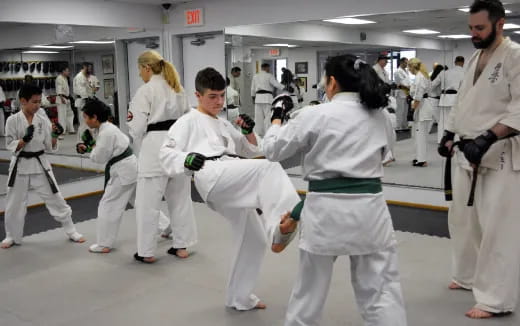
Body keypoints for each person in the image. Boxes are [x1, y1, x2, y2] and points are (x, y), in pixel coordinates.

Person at [263, 54, 407, 326]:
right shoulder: (382, 116)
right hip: (370, 211)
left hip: (325, 211)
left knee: (308, 294)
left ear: (331, 82)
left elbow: (272, 151)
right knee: (381, 291)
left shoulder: (315, 114)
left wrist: (277, 118)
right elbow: (386, 156)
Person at [159, 67, 301, 310]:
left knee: (254, 240)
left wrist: (248, 133)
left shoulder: (223, 124)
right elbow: (165, 153)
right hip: (212, 174)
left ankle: (239, 298)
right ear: (198, 95)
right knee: (269, 168)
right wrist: (185, 160)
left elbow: (252, 150)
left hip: (231, 176)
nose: (219, 101)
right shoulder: (187, 121)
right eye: (212, 96)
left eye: (222, 96)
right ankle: (283, 223)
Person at [438, 0, 520, 319]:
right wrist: (448, 133)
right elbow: (462, 101)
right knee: (462, 219)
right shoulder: (475, 56)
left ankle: (496, 299)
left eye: (480, 28)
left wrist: (488, 137)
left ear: (500, 24)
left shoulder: (514, 56)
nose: (473, 34)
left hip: (499, 154)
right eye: (470, 28)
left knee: (498, 228)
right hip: (466, 151)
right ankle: (467, 274)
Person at [127, 50, 197, 263]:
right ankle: (181, 246)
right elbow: (188, 120)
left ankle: (146, 252)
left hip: (155, 149)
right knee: (181, 199)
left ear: (147, 68)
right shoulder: (178, 89)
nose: (140, 74)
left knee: (147, 204)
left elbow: (136, 127)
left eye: (140, 70)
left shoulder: (145, 91)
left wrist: (137, 139)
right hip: (177, 146)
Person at [1, 84, 85, 249]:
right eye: (34, 102)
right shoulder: (12, 120)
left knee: (56, 198)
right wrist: (23, 140)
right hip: (20, 165)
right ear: (23, 101)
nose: (38, 105)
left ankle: (71, 230)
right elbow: (9, 143)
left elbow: (49, 145)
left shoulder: (42, 119)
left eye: (40, 101)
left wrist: (54, 135)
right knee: (14, 203)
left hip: (40, 163)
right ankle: (11, 235)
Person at [408, 58, 433, 167]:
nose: (408, 69)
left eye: (409, 67)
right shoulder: (423, 76)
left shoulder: (420, 77)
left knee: (421, 136)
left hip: (422, 108)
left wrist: (412, 110)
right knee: (418, 135)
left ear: (412, 66)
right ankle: (419, 157)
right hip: (423, 106)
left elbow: (418, 97)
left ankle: (422, 160)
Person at [250, 63, 284, 136]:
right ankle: (267, 133)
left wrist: (253, 97)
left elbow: (252, 88)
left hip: (258, 98)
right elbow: (276, 84)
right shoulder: (269, 75)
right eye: (268, 68)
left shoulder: (255, 76)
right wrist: (284, 87)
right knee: (268, 116)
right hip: (267, 98)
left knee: (258, 117)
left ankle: (258, 133)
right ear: (266, 68)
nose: (269, 70)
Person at [438, 56, 465, 143]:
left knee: (443, 121)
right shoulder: (464, 73)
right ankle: (455, 139)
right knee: (456, 120)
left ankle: (440, 139)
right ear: (463, 63)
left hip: (444, 98)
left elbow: (434, 84)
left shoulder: (445, 72)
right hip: (456, 98)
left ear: (455, 62)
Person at [55, 64, 75, 136]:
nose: (68, 72)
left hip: (67, 98)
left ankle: (71, 129)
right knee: (62, 116)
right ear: (63, 71)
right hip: (61, 99)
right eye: (67, 71)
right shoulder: (59, 78)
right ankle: (62, 131)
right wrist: (61, 98)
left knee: (70, 114)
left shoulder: (65, 78)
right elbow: (59, 89)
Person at [73, 62, 93, 136]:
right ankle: (82, 139)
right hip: (82, 101)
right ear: (85, 67)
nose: (90, 69)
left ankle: (86, 137)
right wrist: (87, 99)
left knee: (87, 121)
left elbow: (88, 89)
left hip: (86, 101)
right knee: (83, 122)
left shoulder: (85, 76)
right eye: (89, 68)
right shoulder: (79, 77)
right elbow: (80, 90)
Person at [394, 57, 411, 131]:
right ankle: (398, 126)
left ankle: (405, 125)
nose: (407, 64)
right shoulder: (398, 71)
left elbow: (408, 82)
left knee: (405, 110)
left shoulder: (406, 71)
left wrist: (411, 88)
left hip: (407, 93)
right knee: (400, 110)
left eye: (407, 63)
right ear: (401, 63)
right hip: (401, 92)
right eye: (405, 63)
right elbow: (401, 83)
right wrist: (409, 88)